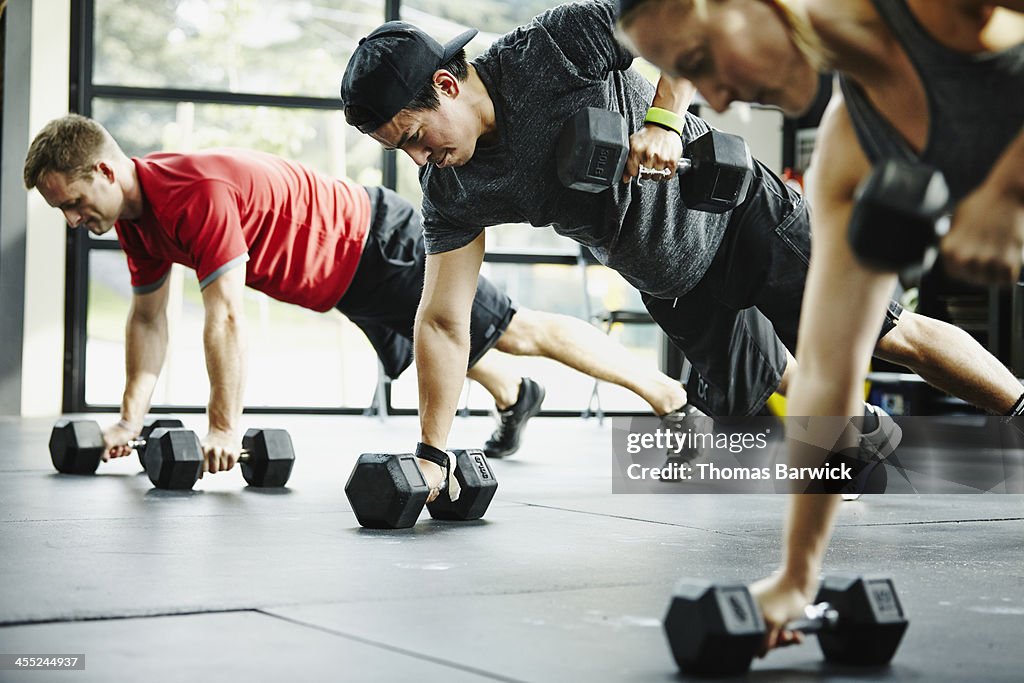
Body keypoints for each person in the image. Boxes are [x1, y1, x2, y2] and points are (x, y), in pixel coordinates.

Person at [339, 0, 1023, 506]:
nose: (419, 157)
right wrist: (432, 452)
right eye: (401, 150)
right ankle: (864, 430)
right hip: (669, 278)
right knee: (762, 389)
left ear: (449, 86)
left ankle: (1016, 408)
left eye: (415, 136)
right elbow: (442, 319)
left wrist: (664, 118)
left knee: (888, 335)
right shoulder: (453, 188)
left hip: (740, 219)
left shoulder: (548, 49)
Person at [616, 0, 1024, 655]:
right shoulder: (851, 146)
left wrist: (1006, 189)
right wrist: (795, 576)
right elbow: (829, 369)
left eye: (699, 64)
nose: (715, 100)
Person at [23, 114, 693, 471]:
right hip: (345, 278)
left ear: (106, 169)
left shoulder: (193, 195)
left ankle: (668, 398)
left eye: (77, 202)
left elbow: (224, 318)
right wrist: (129, 419)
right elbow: (147, 321)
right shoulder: (136, 221)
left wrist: (224, 426)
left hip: (375, 242)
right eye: (65, 213)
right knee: (453, 341)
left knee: (513, 327)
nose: (77, 222)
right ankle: (516, 395)